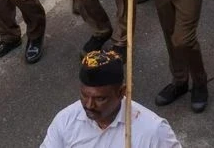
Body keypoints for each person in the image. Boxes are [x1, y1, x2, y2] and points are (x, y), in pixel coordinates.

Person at [41, 49, 181, 148]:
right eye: (84, 95)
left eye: (100, 98)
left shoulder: (153, 132)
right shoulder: (65, 121)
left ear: (121, 92)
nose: (89, 105)